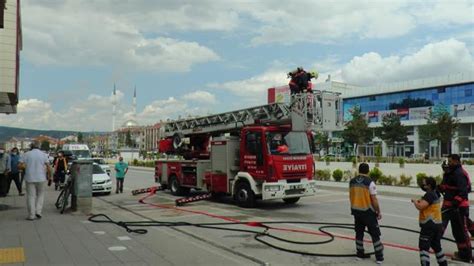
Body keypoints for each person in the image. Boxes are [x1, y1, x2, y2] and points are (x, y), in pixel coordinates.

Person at [437, 154, 472, 262]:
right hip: (450, 206)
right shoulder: (450, 174)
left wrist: (455, 203)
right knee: (454, 230)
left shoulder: (459, 174)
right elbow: (446, 186)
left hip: (459, 208)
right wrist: (438, 187)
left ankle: (466, 255)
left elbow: (463, 192)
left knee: (461, 232)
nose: (448, 163)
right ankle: (462, 253)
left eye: (450, 161)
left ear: (456, 161)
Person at [349, 163, 384, 264]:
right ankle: (379, 257)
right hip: (368, 212)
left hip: (356, 211)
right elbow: (374, 199)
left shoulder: (352, 182)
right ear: (368, 171)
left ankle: (359, 254)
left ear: (359, 170)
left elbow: (351, 196)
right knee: (375, 235)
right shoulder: (370, 183)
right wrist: (378, 211)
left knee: (359, 234)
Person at [411, 177, 447, 266]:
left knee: (424, 248)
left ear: (429, 185)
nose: (422, 185)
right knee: (437, 247)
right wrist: (420, 201)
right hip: (437, 225)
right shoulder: (435, 193)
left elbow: (421, 206)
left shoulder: (429, 194)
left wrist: (415, 202)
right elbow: (428, 204)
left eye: (424, 183)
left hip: (429, 226)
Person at [18, 143, 51, 220]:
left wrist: (25, 166)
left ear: (31, 147)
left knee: (31, 196)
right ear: (39, 147)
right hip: (41, 178)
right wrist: (50, 177)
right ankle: (38, 212)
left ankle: (31, 215)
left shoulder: (26, 154)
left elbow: (19, 165)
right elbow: (48, 167)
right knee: (40, 195)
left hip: (29, 177)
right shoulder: (43, 154)